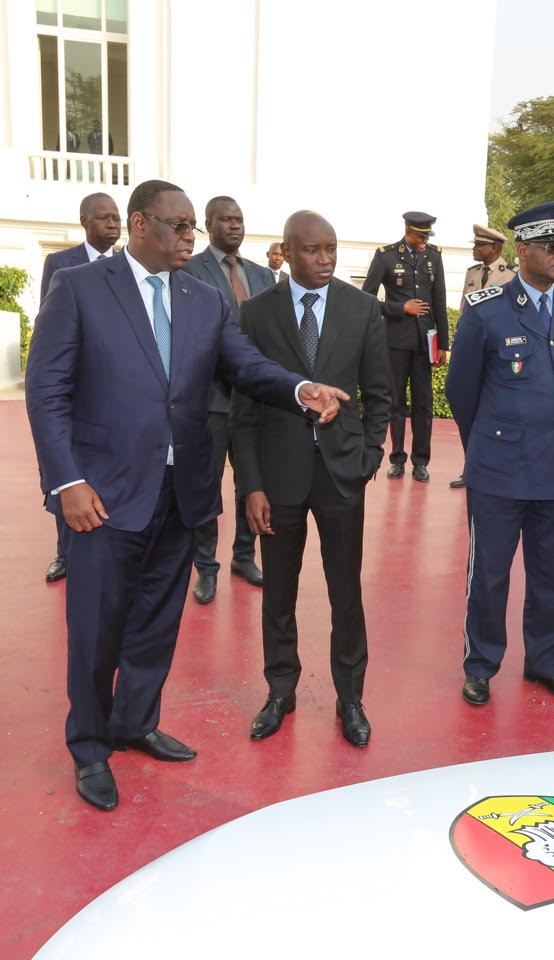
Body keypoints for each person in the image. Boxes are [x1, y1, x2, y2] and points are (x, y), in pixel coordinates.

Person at [24, 179, 347, 811]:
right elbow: (47, 391)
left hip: (183, 487)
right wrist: (66, 481)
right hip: (102, 494)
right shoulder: (81, 287)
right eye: (177, 227)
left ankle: (133, 721)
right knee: (95, 627)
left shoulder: (203, 299)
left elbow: (244, 365)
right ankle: (89, 745)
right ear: (140, 224)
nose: (187, 239)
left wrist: (300, 388)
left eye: (191, 228)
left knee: (155, 621)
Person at [232, 211, 390, 747]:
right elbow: (243, 409)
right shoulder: (255, 313)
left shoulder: (363, 308)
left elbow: (379, 395)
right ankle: (281, 691)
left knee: (346, 592)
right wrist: (251, 484)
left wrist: (368, 457)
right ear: (287, 251)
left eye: (332, 249)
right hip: (278, 481)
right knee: (278, 590)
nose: (325, 260)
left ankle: (351, 698)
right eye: (313, 250)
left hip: (343, 475)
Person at [445, 200, 554, 706]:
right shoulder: (487, 310)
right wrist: (486, 450)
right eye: (552, 247)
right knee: (489, 575)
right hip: (499, 472)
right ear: (523, 250)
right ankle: (482, 665)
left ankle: (544, 662)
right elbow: (462, 393)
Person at [181, 196, 274, 603]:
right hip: (211, 401)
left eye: (239, 219)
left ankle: (243, 556)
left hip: (254, 404)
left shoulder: (263, 275)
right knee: (207, 486)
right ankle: (206, 567)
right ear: (209, 223)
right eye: (226, 220)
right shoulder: (190, 269)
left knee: (251, 483)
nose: (234, 226)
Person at [38, 192, 122, 583]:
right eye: (104, 218)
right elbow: (50, 327)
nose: (112, 224)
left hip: (113, 389)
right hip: (73, 390)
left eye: (116, 218)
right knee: (65, 474)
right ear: (85, 221)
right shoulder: (60, 264)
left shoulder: (129, 266)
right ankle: (64, 553)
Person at [362, 211, 449, 482]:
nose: (425, 241)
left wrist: (443, 345)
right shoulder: (386, 256)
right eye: (421, 236)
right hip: (395, 342)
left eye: (427, 237)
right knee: (396, 402)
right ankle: (397, 458)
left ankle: (421, 461)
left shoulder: (434, 257)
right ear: (408, 232)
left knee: (424, 404)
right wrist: (400, 308)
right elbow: (366, 299)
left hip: (425, 343)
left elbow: (439, 303)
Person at [452, 224, 516, 489]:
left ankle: (498, 467)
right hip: (470, 353)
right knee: (466, 408)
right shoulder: (472, 273)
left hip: (498, 354)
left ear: (496, 248)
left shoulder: (512, 275)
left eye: (480, 245)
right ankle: (472, 466)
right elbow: (464, 312)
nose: (475, 249)